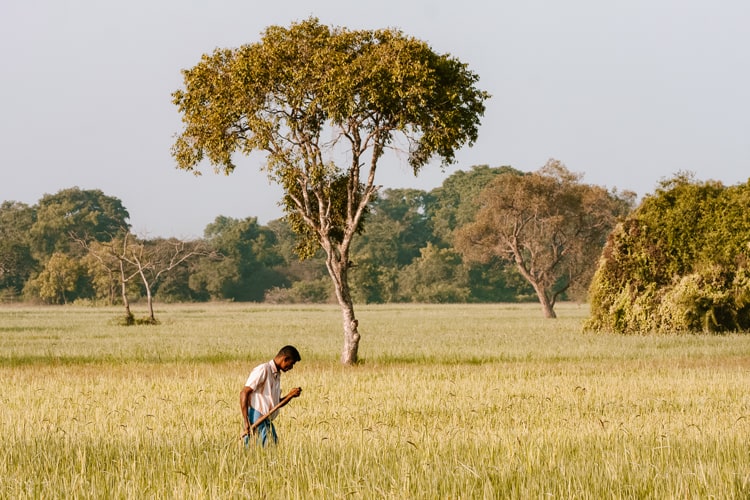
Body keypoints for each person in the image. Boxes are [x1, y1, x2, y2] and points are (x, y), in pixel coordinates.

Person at [240, 345, 302, 447]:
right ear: (285, 359)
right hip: (257, 417)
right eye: (291, 364)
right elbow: (244, 392)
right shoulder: (263, 369)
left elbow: (277, 404)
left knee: (270, 448)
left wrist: (290, 395)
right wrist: (246, 422)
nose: (291, 368)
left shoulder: (276, 375)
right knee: (269, 449)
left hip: (266, 419)